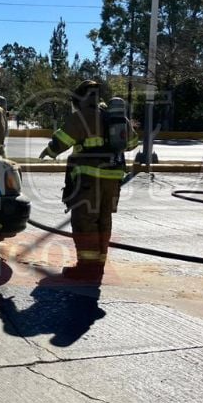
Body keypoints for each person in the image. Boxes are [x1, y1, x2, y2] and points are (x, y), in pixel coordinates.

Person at [39, 80, 138, 279]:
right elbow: (133, 142)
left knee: (85, 220)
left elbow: (62, 141)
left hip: (90, 179)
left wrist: (49, 151)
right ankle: (98, 263)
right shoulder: (115, 116)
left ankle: (86, 267)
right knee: (103, 219)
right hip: (113, 178)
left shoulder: (82, 116)